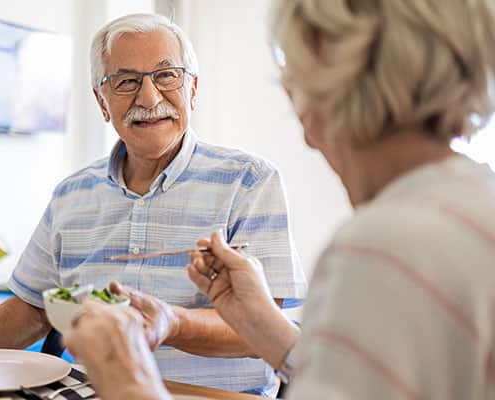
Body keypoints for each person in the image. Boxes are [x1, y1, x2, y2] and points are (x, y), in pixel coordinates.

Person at [63, 0, 495, 399]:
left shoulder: (383, 247)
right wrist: (262, 324)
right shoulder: (473, 204)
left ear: (320, 92)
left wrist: (129, 382)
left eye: (293, 67)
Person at [0, 13, 306, 396]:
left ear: (192, 89)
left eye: (166, 75)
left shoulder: (249, 181)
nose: (149, 95)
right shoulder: (71, 194)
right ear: (101, 101)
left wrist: (169, 323)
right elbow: (33, 309)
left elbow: (262, 330)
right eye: (125, 81)